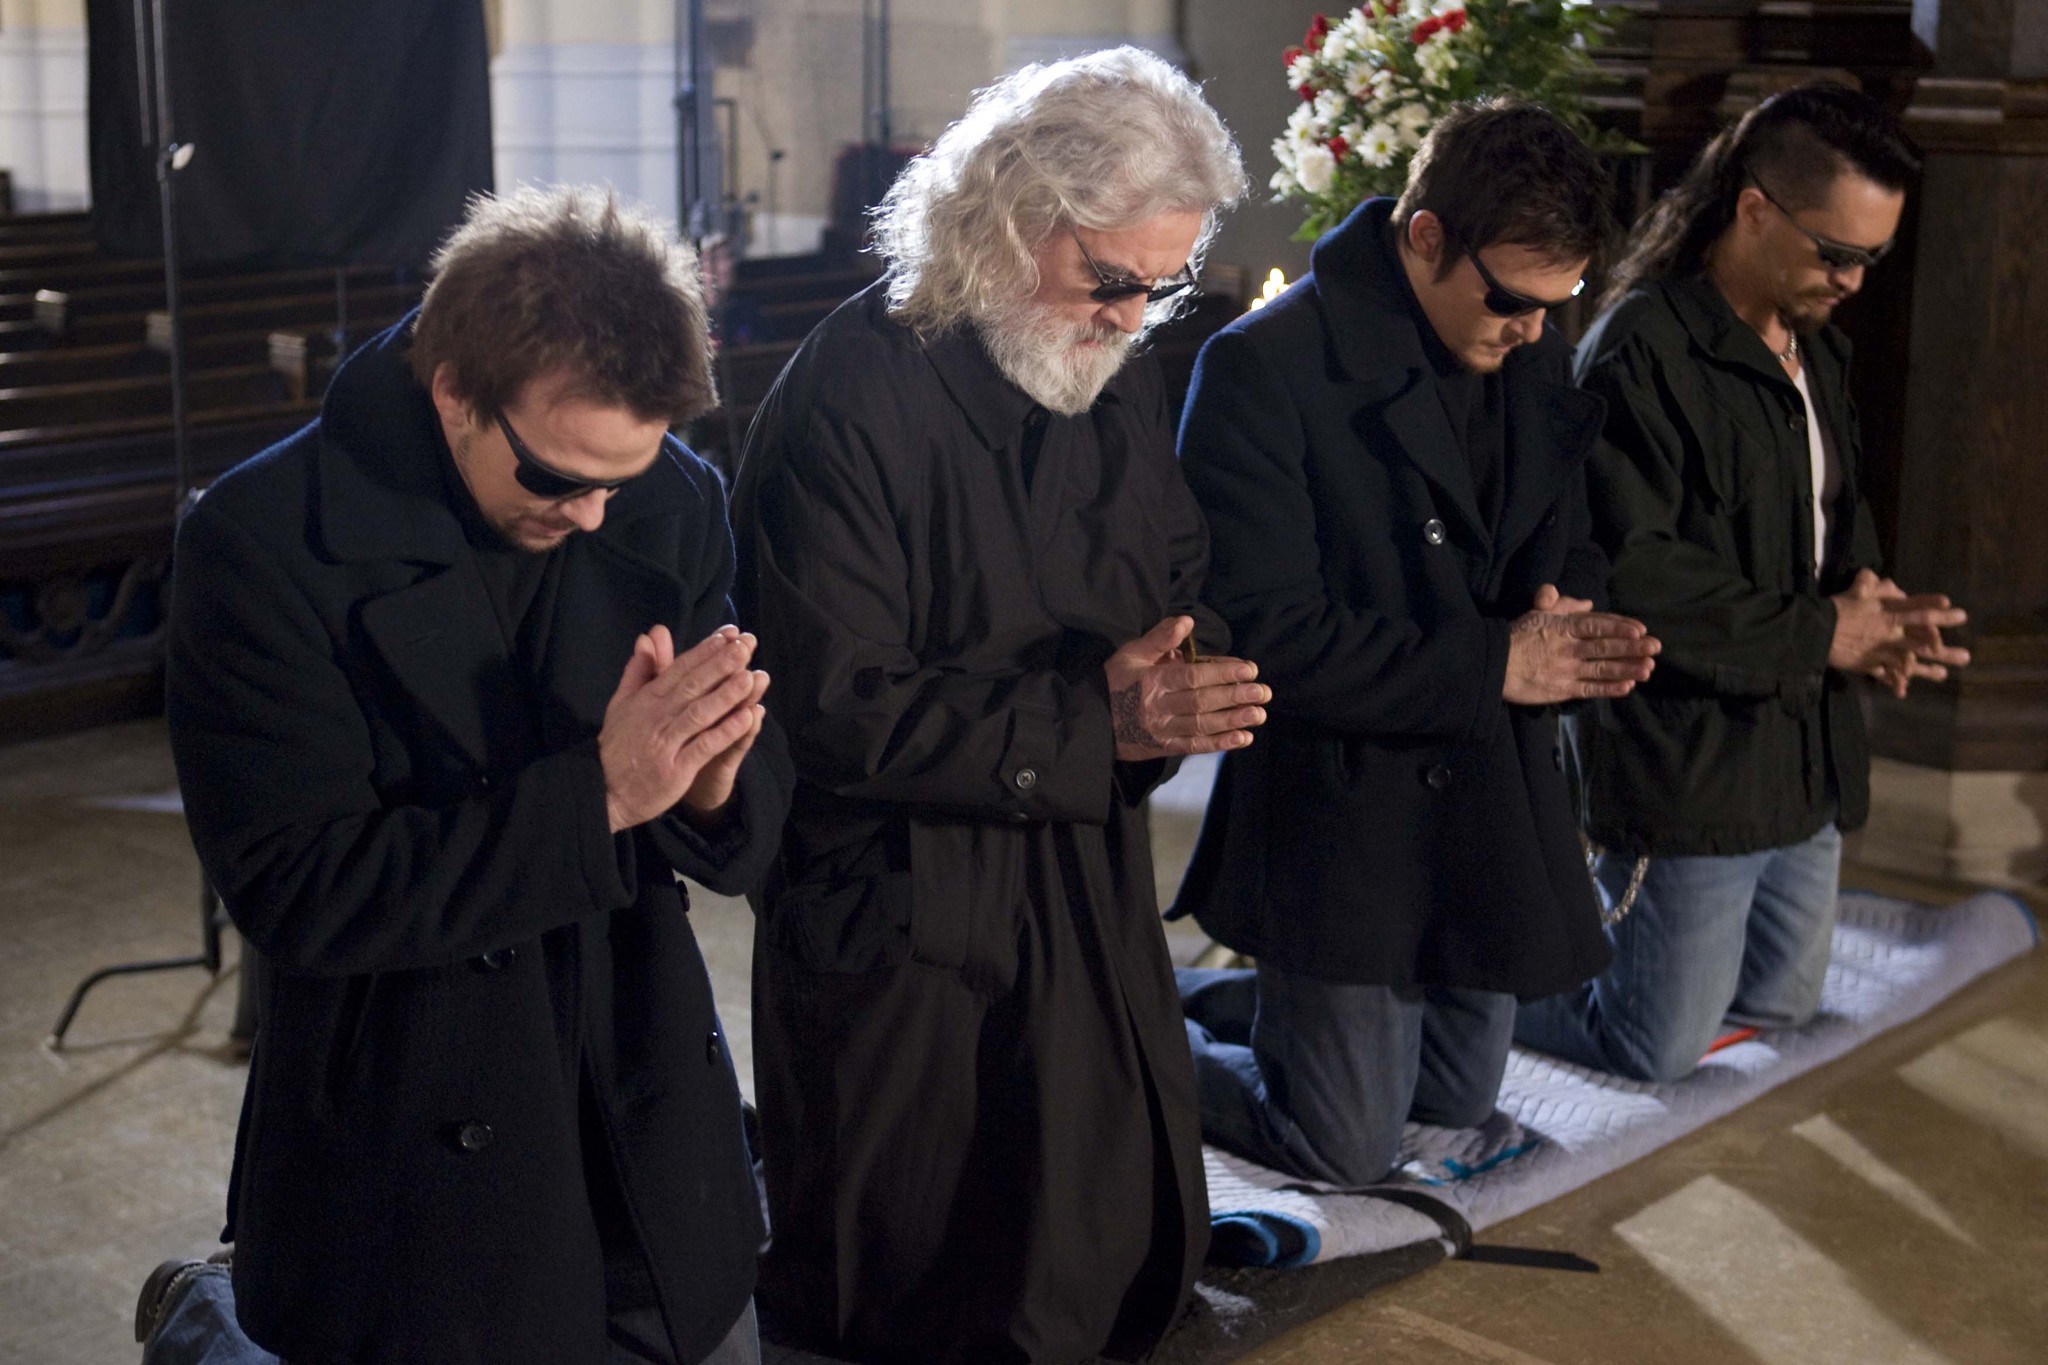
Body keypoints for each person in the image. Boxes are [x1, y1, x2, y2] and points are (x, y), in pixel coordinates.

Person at [154, 185, 792, 1365]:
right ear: (454, 392)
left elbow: (746, 820)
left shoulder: (669, 497)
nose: (598, 516)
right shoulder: (258, 539)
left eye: (626, 476)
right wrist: (600, 796)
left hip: (642, 1069)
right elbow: (298, 888)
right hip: (407, 1104)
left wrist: (708, 783)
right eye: (559, 478)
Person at [731, 48, 1260, 1365]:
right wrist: (1103, 723)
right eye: (1115, 281)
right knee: (919, 1282)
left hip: (1074, 864)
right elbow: (833, 710)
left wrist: (1185, 673)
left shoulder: (1102, 365)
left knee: (1109, 1228)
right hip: (899, 898)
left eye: (1165, 282)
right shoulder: (849, 400)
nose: (1138, 317)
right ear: (1012, 219)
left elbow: (1180, 568)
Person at [1170, 101, 1661, 1192]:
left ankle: (1262, 1011)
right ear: (1424, 236)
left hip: (1486, 794)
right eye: (1509, 301)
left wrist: (1570, 625)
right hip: (1343, 810)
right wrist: (1498, 664)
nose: (1532, 331)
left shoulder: (1528, 343)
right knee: (1340, 1147)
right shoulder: (1262, 366)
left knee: (1446, 1114)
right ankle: (1132, 1015)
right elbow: (1266, 636)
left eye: (1560, 301)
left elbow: (1573, 540)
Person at [1514, 83, 1970, 1083]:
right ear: (1753, 207)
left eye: (1871, 259)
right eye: (1834, 253)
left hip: (1797, 752)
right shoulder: (1640, 349)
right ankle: (1465, 988)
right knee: (1650, 1044)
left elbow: (1829, 528)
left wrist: (1872, 612)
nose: (1853, 280)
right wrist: (1823, 634)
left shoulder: (1815, 352)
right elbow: (1632, 571)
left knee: (1777, 1005)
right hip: (1685, 764)